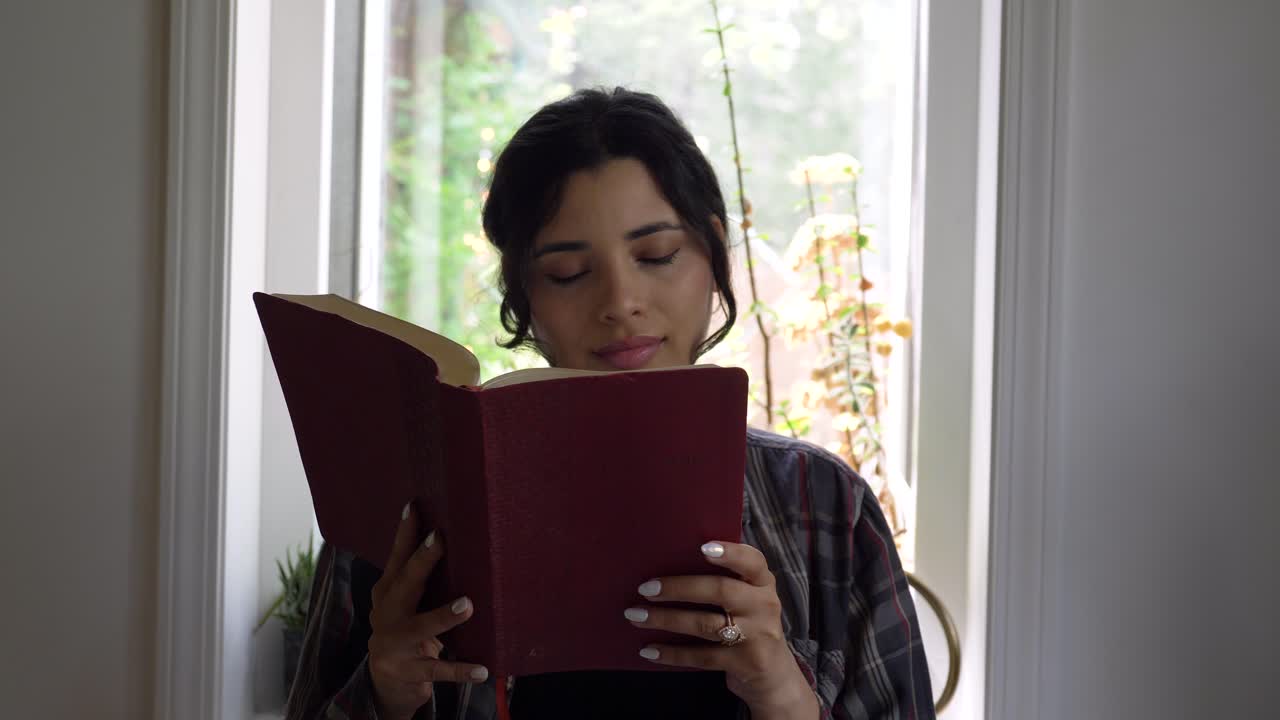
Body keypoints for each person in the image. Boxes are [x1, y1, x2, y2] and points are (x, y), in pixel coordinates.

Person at [286, 87, 934, 720]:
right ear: (523, 299)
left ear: (713, 255)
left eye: (657, 255)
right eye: (568, 273)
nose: (620, 301)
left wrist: (785, 697)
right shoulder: (403, 519)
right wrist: (385, 692)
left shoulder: (828, 510)